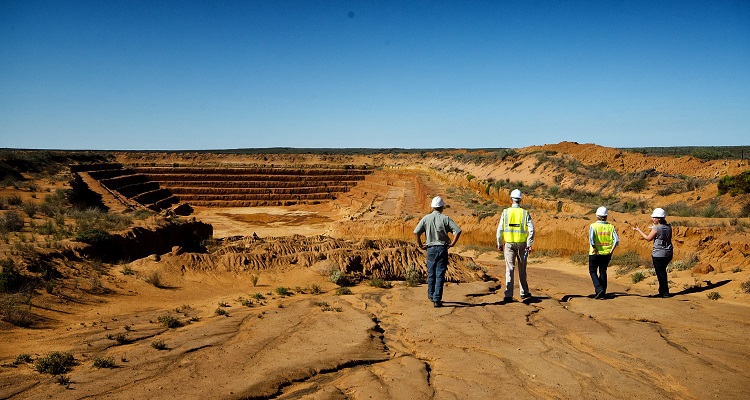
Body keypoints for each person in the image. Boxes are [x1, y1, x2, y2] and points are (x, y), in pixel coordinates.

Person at [414, 196, 462, 308]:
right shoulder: (445, 218)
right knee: (440, 274)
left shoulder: (426, 218)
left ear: (432, 207)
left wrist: (420, 244)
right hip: (442, 248)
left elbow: (416, 232)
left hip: (430, 249)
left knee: (431, 273)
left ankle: (431, 295)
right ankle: (437, 299)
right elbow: (458, 231)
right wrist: (453, 243)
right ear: (442, 207)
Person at [496, 189, 535, 302]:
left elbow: (500, 229)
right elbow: (531, 230)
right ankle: (524, 292)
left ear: (511, 198)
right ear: (521, 199)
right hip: (522, 245)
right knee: (522, 269)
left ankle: (508, 294)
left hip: (509, 245)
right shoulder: (525, 213)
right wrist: (529, 244)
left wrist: (499, 243)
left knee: (510, 269)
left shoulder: (506, 212)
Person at [633, 208, 673, 298]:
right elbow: (662, 231)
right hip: (669, 253)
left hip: (659, 254)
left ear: (659, 218)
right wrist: (654, 228)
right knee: (662, 272)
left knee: (660, 273)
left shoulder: (656, 228)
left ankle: (664, 292)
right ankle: (663, 290)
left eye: (654, 217)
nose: (652, 219)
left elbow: (648, 238)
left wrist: (638, 230)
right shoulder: (669, 227)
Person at [588, 206, 619, 299]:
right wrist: (611, 251)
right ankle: (603, 293)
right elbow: (616, 240)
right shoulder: (611, 227)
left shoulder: (593, 226)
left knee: (592, 271)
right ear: (606, 216)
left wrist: (595, 249)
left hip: (595, 253)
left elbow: (591, 240)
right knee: (603, 271)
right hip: (607, 253)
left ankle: (599, 289)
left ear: (597, 215)